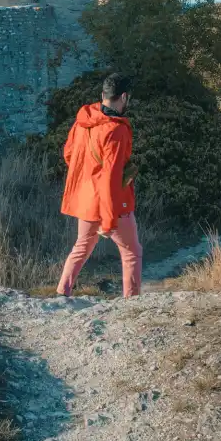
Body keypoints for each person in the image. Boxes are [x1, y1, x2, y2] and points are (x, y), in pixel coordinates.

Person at [56, 73, 142, 298]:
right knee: (132, 253)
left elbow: (69, 154)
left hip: (86, 200)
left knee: (81, 247)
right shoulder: (116, 129)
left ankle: (61, 293)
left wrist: (88, 175)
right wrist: (109, 219)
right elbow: (112, 178)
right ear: (124, 97)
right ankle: (132, 303)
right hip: (111, 203)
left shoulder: (83, 119)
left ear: (102, 95)